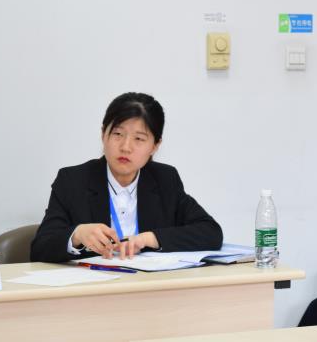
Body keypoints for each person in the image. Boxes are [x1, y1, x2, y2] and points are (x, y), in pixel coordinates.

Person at [31, 92, 223, 263]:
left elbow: (211, 232)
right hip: (93, 287)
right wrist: (77, 235)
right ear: (103, 134)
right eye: (118, 134)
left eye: (139, 139)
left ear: (155, 146)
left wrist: (150, 239)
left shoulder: (165, 179)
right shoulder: (73, 181)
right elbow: (40, 248)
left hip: (148, 287)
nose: (125, 147)